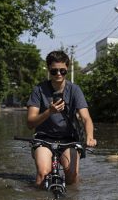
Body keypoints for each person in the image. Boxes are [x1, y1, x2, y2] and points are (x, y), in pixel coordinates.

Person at [27, 51, 97, 187]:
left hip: (69, 139)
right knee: (43, 173)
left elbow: (86, 118)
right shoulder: (38, 90)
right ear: (48, 70)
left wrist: (90, 136)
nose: (58, 74)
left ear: (67, 69)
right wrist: (49, 112)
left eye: (62, 71)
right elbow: (30, 123)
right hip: (44, 138)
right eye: (54, 71)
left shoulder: (75, 90)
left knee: (72, 175)